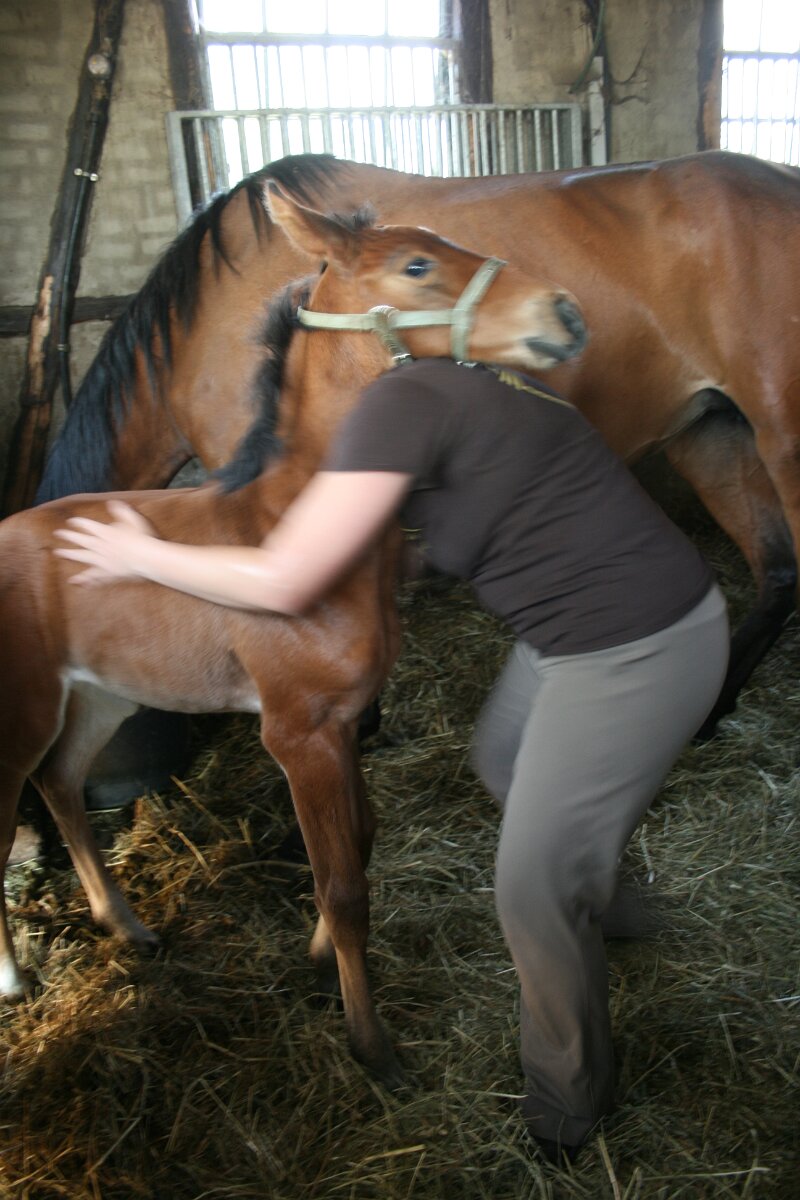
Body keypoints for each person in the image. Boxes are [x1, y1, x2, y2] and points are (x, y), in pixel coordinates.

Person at [54, 356, 729, 1165]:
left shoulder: (402, 400)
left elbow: (287, 579)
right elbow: (449, 524)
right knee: (502, 757)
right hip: (578, 631)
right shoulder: (480, 380)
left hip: (633, 649)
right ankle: (608, 906)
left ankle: (566, 1105)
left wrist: (141, 555)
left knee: (531, 891)